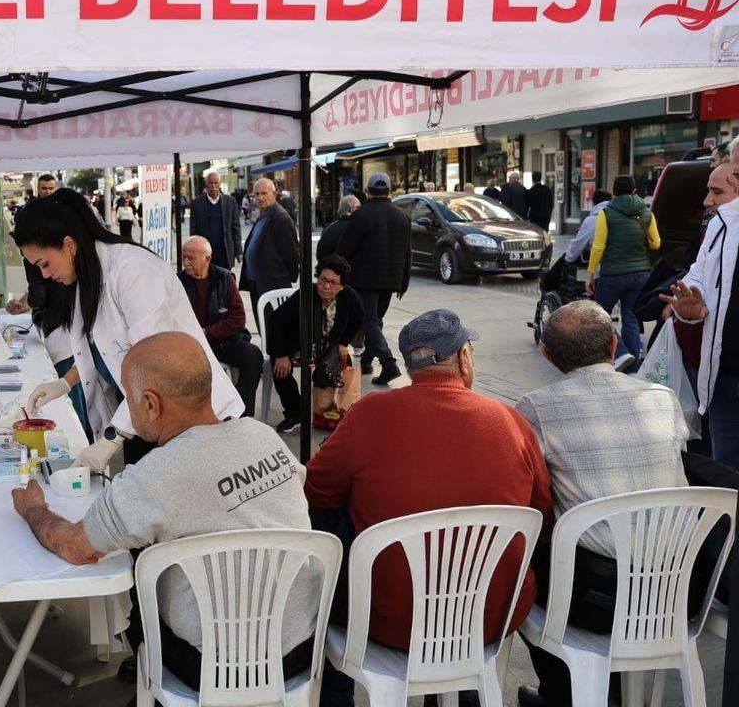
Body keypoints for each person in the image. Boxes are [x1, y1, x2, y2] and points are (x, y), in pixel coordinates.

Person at [9, 332, 325, 695]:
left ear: (150, 404)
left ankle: (157, 691)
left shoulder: (150, 479)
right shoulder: (264, 435)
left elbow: (76, 548)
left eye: (127, 398)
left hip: (214, 667)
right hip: (301, 647)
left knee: (136, 580)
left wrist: (34, 510)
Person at [306, 309, 551, 654]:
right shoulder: (510, 421)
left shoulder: (370, 414)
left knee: (333, 525)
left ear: (409, 366)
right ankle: (464, 688)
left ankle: (335, 691)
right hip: (490, 618)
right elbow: (541, 509)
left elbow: (316, 491)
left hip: (389, 621)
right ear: (465, 358)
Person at [513, 301, 688, 707]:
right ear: (613, 347)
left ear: (547, 355)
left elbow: (531, 494)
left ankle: (563, 695)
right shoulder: (662, 396)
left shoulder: (535, 407)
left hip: (599, 601)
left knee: (516, 579)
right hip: (678, 588)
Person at [14, 189, 244, 471]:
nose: (45, 275)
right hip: (147, 415)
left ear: (69, 245)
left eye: (44, 264)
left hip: (195, 417)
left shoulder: (132, 270)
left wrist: (112, 437)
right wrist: (65, 382)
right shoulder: (87, 276)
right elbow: (105, 348)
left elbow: (155, 366)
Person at [663, 156, 739, 468]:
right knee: (725, 469)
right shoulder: (719, 228)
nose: (707, 201)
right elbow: (698, 276)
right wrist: (686, 308)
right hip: (722, 374)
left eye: (717, 192)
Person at [265, 255, 363, 433]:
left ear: (341, 286)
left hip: (329, 345)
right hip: (298, 343)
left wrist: (343, 342)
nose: (326, 286)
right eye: (323, 280)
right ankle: (295, 413)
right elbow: (276, 321)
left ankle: (331, 412)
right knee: (278, 367)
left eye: (333, 283)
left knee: (339, 368)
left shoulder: (349, 297)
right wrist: (280, 354)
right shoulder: (305, 294)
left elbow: (358, 319)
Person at [335, 172, 410, 385]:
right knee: (374, 321)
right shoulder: (401, 215)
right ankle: (367, 360)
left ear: (368, 192)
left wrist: (338, 271)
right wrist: (403, 282)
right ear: (389, 190)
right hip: (391, 280)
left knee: (369, 322)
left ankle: (388, 364)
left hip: (365, 280)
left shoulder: (361, 215)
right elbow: (408, 252)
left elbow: (345, 249)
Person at [178, 236, 263, 417]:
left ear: (207, 259)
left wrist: (208, 332)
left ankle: (241, 413)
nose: (185, 262)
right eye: (183, 257)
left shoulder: (224, 278)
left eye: (190, 258)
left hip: (223, 341)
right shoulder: (178, 282)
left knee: (253, 355)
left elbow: (238, 318)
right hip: (192, 345)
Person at [587, 174, 660, 368]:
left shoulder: (606, 213)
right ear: (635, 191)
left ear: (613, 192)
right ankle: (634, 365)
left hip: (613, 275)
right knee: (631, 318)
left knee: (600, 316)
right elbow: (656, 243)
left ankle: (620, 353)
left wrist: (590, 273)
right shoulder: (646, 213)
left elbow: (598, 247)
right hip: (641, 274)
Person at [240, 177, 301, 318]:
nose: (260, 197)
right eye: (257, 194)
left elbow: (292, 254)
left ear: (274, 194)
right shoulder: (263, 216)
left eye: (264, 193)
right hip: (257, 282)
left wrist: (283, 279)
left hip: (273, 283)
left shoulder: (281, 218)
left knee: (274, 325)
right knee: (262, 324)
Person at [189, 171, 243, 268]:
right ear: (206, 184)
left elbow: (236, 228)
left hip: (225, 251)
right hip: (205, 252)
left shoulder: (230, 202)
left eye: (216, 183)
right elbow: (193, 230)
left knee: (225, 280)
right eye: (210, 183)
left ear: (220, 183)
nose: (213, 186)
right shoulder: (197, 203)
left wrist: (238, 251)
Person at [564, 188, 612, 268]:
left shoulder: (591, 220)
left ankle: (547, 277)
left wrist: (568, 257)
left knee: (565, 259)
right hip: (620, 263)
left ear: (593, 203)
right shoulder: (620, 217)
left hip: (599, 264)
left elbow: (576, 248)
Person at [316, 195, 359, 261]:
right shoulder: (357, 228)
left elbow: (320, 254)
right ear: (351, 209)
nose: (361, 210)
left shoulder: (329, 229)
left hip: (332, 268)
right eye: (358, 207)